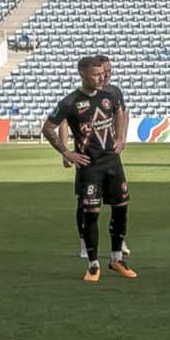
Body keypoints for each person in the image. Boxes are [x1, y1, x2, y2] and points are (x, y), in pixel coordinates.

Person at [46, 53, 132, 283]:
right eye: (96, 75)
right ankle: (93, 264)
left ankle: (117, 259)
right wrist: (65, 151)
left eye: (102, 74)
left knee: (121, 207)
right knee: (92, 213)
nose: (101, 78)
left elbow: (120, 112)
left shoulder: (109, 95)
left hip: (112, 162)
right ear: (82, 74)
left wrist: (120, 138)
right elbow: (48, 128)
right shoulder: (70, 102)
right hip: (90, 165)